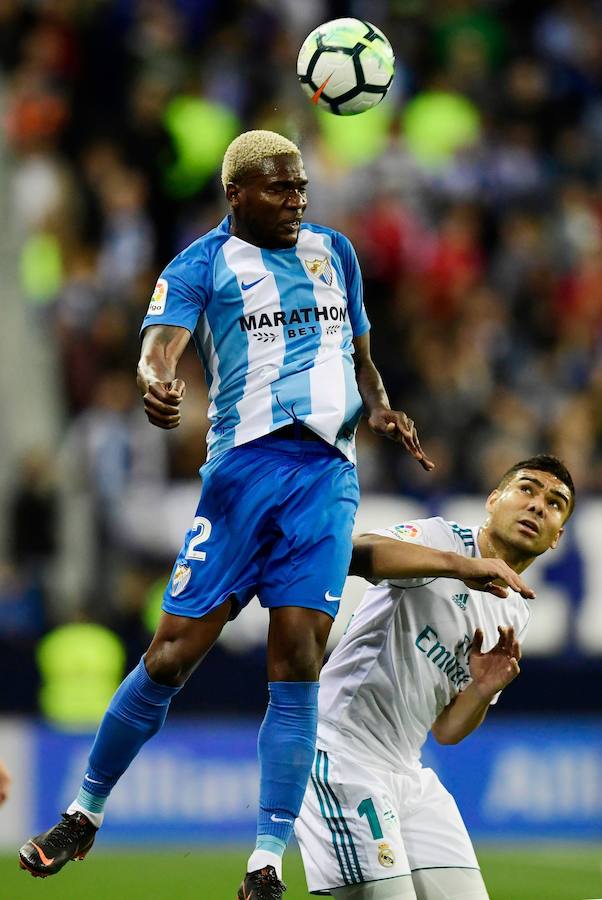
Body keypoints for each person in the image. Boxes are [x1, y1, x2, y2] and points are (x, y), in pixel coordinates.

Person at [18, 130, 433, 898]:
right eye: (279, 189)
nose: (296, 201)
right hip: (242, 476)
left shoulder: (334, 251)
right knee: (172, 654)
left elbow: (362, 352)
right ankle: (84, 812)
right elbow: (159, 344)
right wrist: (156, 380)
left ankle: (266, 861)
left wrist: (379, 407)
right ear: (236, 194)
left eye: (301, 188)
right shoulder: (201, 263)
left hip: (326, 477)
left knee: (299, 651)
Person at [295, 454, 574, 900]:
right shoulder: (441, 538)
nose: (538, 505)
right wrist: (460, 566)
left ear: (558, 537)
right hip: (340, 753)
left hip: (408, 772)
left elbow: (447, 729)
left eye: (555, 503)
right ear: (493, 500)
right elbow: (349, 554)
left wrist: (482, 689)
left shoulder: (514, 610)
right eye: (526, 489)